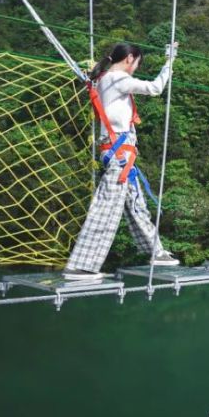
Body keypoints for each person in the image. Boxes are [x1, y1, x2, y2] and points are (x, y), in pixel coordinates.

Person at [63, 42, 181, 280]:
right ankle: (81, 266)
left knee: (137, 206)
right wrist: (169, 63)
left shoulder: (103, 78)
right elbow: (156, 88)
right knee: (106, 208)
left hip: (119, 154)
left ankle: (155, 251)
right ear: (129, 59)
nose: (135, 68)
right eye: (137, 63)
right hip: (119, 154)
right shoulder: (117, 79)